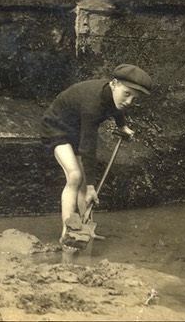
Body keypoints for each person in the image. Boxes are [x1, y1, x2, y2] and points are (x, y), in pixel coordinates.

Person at [40, 64, 152, 248]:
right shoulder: (93, 103)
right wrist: (92, 186)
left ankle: (85, 231)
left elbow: (118, 107)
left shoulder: (113, 93)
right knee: (76, 176)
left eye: (135, 98)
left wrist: (121, 126)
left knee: (84, 184)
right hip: (56, 128)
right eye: (127, 94)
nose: (129, 101)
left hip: (76, 128)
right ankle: (68, 233)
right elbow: (88, 147)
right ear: (114, 83)